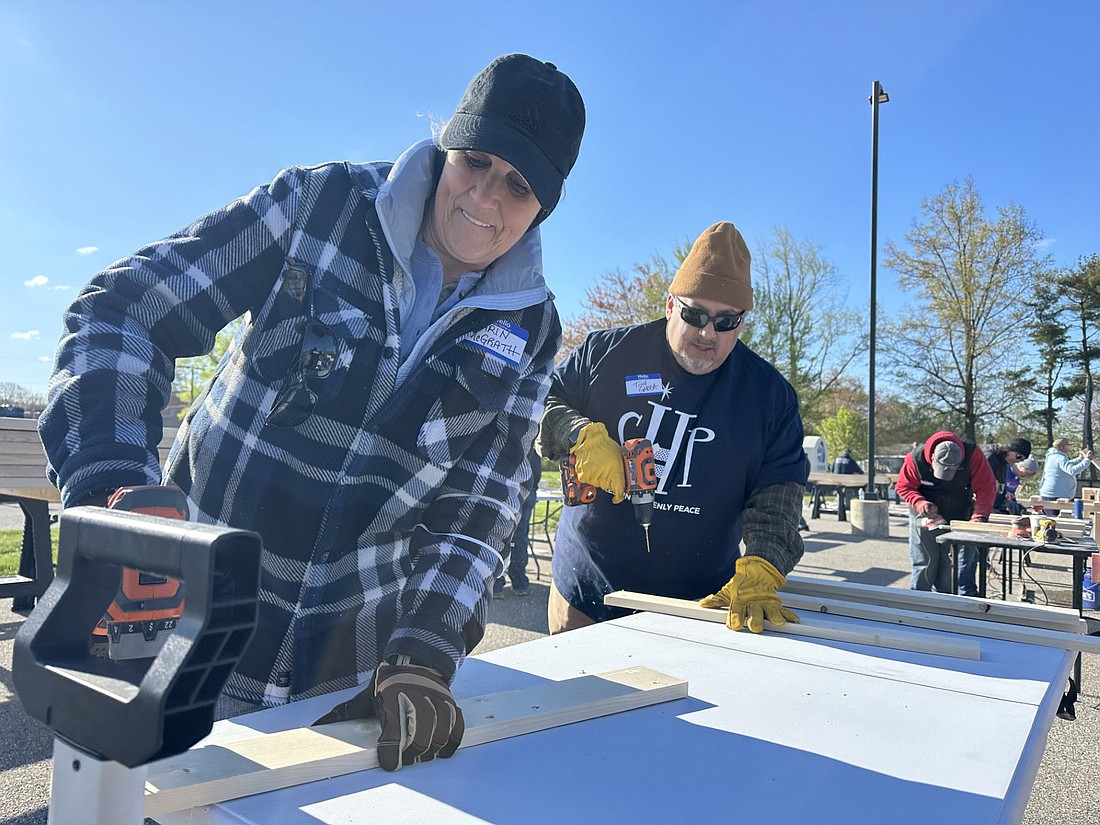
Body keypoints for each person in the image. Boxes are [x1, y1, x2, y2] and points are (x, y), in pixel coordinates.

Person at [38, 53, 585, 771]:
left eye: (518, 186)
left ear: (544, 205)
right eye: (475, 160)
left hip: (344, 675)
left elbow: (483, 501)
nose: (484, 198)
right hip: (179, 619)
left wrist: (426, 647)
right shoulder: (318, 206)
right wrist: (112, 494)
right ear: (446, 143)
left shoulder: (530, 327)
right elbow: (124, 311)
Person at [538, 221, 809, 635]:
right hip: (587, 594)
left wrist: (764, 563)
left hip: (702, 607)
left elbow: (779, 494)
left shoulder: (769, 397)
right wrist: (577, 435)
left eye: (725, 322)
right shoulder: (605, 355)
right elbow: (539, 403)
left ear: (742, 322)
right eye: (694, 313)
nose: (706, 332)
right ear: (669, 305)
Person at [894, 432, 996, 595]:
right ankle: (919, 600)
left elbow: (986, 487)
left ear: (960, 460)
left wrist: (979, 517)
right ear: (932, 458)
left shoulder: (972, 455)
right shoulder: (915, 459)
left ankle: (945, 601)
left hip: (958, 511)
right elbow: (903, 486)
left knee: (949, 563)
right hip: (924, 514)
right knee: (925, 561)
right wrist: (921, 503)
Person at [494, 449, 540, 597]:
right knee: (519, 537)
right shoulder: (532, 429)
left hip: (504, 484)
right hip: (528, 486)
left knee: (499, 533)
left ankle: (497, 584)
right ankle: (519, 582)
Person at [1038, 438, 1094, 510]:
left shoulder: (1053, 456)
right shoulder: (1060, 458)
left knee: (1051, 519)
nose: (1068, 448)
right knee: (1055, 519)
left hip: (1051, 494)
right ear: (1062, 447)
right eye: (1067, 446)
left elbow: (1066, 465)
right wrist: (1087, 460)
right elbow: (1072, 470)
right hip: (1056, 496)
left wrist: (1080, 459)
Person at [981, 438, 1032, 514]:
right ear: (1009, 449)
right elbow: (980, 486)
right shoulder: (990, 457)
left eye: (1022, 460)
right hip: (981, 508)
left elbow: (999, 489)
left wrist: (1006, 502)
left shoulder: (1003, 462)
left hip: (992, 508)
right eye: (1018, 456)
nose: (1018, 461)